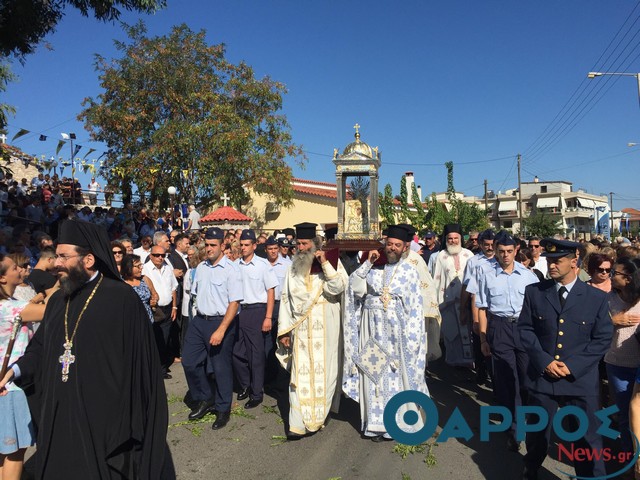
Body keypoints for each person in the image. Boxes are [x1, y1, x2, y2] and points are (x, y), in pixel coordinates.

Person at [0, 219, 170, 479]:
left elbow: (140, 364)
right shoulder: (58, 301)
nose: (56, 263)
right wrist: (14, 371)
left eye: (63, 256)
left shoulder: (121, 299)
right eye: (56, 256)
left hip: (104, 415)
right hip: (61, 411)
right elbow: (41, 346)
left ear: (88, 260)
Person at [518, 238, 612, 480]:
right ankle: (531, 466)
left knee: (587, 439)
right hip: (543, 376)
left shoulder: (596, 298)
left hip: (578, 380)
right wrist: (545, 361)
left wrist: (571, 366)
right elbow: (525, 330)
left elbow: (601, 339)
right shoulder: (535, 292)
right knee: (538, 433)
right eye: (549, 260)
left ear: (574, 262)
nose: (551, 265)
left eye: (557, 261)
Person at [343, 225, 429, 442]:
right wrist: (368, 262)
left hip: (396, 335)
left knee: (395, 379)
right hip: (371, 330)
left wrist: (411, 337)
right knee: (374, 375)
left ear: (404, 248)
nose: (392, 248)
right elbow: (354, 287)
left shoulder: (409, 271)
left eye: (397, 245)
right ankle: (375, 425)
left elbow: (415, 307)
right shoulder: (372, 267)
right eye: (389, 243)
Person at [276, 222, 347, 438]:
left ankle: (318, 417)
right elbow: (286, 300)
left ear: (315, 244)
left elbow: (338, 287)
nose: (300, 247)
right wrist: (285, 331)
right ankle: (297, 423)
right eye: (298, 243)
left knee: (325, 371)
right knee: (300, 373)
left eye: (305, 243)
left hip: (326, 328)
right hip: (301, 329)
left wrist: (325, 264)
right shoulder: (293, 267)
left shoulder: (331, 262)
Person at [476, 231, 538, 452]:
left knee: (525, 379)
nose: (505, 255)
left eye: (509, 251)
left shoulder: (528, 275)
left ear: (516, 251)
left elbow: (536, 309)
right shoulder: (486, 274)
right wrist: (483, 338)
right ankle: (514, 429)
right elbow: (482, 308)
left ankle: (527, 419)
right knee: (507, 379)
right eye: (501, 251)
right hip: (499, 328)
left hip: (523, 328)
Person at [182, 227, 243, 430]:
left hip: (221, 321)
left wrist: (221, 329)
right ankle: (204, 398)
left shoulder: (231, 270)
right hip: (200, 320)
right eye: (206, 245)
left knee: (220, 367)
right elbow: (197, 295)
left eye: (213, 245)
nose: (208, 249)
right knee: (189, 361)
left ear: (222, 245)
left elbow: (234, 303)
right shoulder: (201, 268)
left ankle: (223, 408)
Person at [0, 254, 54, 480]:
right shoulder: (9, 309)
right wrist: (56, 288)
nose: (21, 269)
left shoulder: (12, 305)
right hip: (10, 385)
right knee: (14, 452)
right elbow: (50, 311)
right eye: (15, 267)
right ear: (3, 278)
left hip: (8, 382)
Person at [233, 229, 277, 409]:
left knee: (256, 355)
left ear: (254, 245)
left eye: (246, 245)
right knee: (237, 352)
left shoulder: (262, 265)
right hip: (238, 311)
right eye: (241, 245)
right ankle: (245, 384)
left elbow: (271, 291)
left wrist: (268, 317)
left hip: (257, 310)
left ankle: (256, 393)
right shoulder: (236, 264)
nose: (243, 248)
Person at [604, 257, 640, 458]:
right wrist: (612, 321)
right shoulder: (608, 300)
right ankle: (629, 457)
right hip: (617, 365)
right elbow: (595, 329)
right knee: (625, 415)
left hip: (639, 366)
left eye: (614, 273)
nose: (610, 275)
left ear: (628, 278)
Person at [431, 223, 475, 368]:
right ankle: (454, 364)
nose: (453, 241)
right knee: (452, 334)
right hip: (448, 303)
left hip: (467, 302)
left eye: (456, 238)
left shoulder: (469, 254)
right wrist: (435, 303)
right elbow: (436, 279)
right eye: (450, 238)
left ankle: (469, 363)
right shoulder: (441, 256)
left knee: (468, 333)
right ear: (446, 239)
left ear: (460, 238)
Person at [142, 245, 178, 379]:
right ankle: (155, 369)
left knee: (165, 338)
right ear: (151, 255)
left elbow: (173, 288)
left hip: (168, 308)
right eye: (157, 255)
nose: (160, 258)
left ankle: (162, 368)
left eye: (163, 255)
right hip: (154, 310)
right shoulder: (145, 269)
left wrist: (174, 307)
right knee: (156, 339)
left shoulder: (167, 268)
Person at [264, 235, 291, 385]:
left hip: (282, 305)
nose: (273, 252)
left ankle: (284, 374)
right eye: (270, 249)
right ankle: (270, 374)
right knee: (267, 341)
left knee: (283, 339)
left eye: (275, 248)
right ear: (266, 250)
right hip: (267, 306)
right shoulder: (263, 265)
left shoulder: (287, 265)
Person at [121, 254, 157, 323]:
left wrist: (154, 300)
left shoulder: (144, 279)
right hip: (130, 321)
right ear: (129, 267)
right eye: (138, 266)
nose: (141, 268)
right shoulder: (121, 283)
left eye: (141, 265)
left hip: (147, 320)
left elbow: (154, 293)